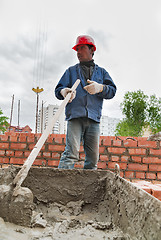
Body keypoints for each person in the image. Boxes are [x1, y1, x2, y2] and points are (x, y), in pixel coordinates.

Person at [55, 35, 117, 169]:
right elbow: (58, 90)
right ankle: (60, 183)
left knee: (93, 159)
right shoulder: (71, 72)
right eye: (77, 49)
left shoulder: (101, 73)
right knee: (71, 154)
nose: (78, 52)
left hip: (93, 119)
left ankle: (88, 188)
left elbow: (112, 91)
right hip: (75, 117)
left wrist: (101, 88)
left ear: (91, 50)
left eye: (82, 48)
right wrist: (64, 92)